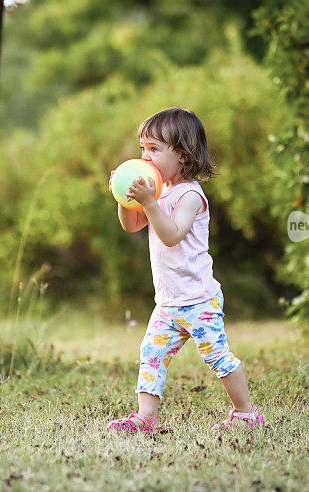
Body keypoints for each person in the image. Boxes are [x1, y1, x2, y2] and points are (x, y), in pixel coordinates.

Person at [106, 107, 265, 434]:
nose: (145, 157)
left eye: (154, 149)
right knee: (151, 353)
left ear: (182, 156)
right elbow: (132, 226)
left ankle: (247, 414)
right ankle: (146, 418)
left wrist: (149, 202)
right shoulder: (157, 191)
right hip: (168, 302)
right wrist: (126, 199)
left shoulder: (190, 195)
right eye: (142, 149)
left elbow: (172, 234)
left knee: (218, 358)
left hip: (198, 301)